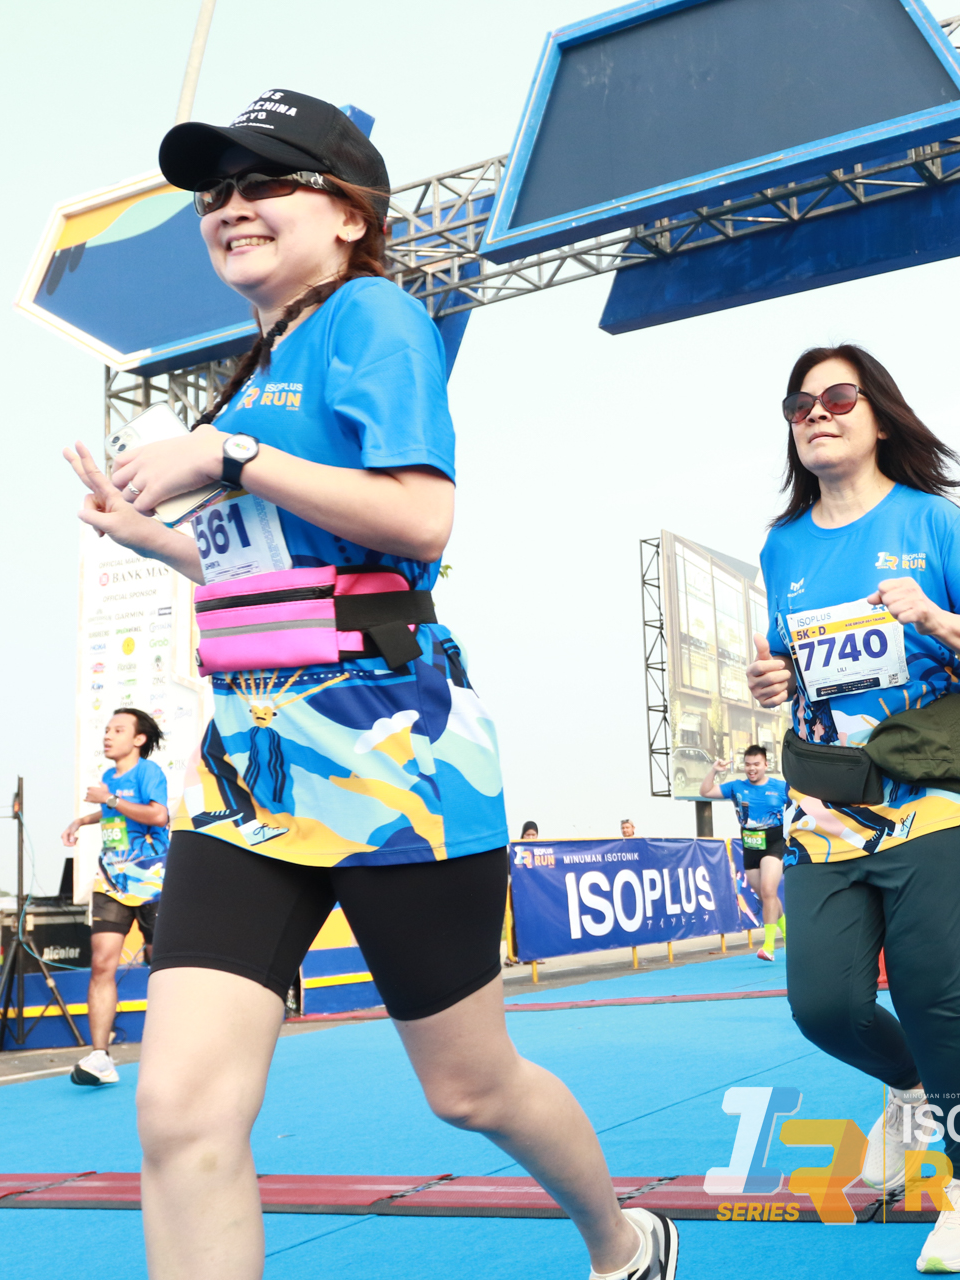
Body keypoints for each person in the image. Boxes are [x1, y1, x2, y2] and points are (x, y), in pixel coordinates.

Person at [62, 92, 675, 1280]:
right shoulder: (253, 367)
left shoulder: (374, 315)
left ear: (347, 214)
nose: (231, 206)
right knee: (179, 1109)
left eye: (265, 182)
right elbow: (277, 568)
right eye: (216, 192)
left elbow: (420, 519)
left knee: (471, 1087)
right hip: (247, 773)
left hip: (393, 756)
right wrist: (157, 540)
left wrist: (228, 454)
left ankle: (621, 1236)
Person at [746, 343, 960, 1271]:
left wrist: (936, 617)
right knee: (823, 1005)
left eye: (837, 397)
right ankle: (908, 1087)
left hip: (936, 792)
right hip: (830, 806)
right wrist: (770, 679)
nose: (817, 415)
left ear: (878, 415)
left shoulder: (932, 521)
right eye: (800, 405)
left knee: (929, 998)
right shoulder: (782, 545)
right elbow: (797, 668)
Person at [58, 708, 169, 1087]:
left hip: (152, 879)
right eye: (107, 729)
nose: (108, 735)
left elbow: (158, 816)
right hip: (112, 880)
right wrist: (81, 820)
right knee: (102, 963)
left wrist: (110, 799)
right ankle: (100, 1057)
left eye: (118, 730)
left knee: (163, 966)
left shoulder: (148, 772)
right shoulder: (110, 777)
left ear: (138, 739)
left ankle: (178, 1046)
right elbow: (113, 812)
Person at [700, 745, 791, 961]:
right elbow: (705, 792)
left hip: (774, 842)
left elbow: (803, 805)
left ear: (766, 765)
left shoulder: (781, 787)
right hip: (750, 845)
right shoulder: (736, 787)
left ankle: (768, 947)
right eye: (748, 765)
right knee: (765, 896)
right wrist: (714, 770)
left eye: (756, 764)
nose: (752, 769)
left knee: (768, 891)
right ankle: (789, 934)